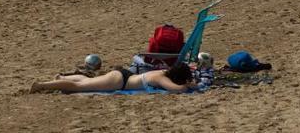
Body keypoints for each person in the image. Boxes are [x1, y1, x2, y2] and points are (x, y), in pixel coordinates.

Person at [31, 62, 195, 94]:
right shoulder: (161, 78)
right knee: (80, 87)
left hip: (123, 76)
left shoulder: (163, 72)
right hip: (120, 81)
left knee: (86, 82)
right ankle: (42, 85)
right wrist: (188, 85)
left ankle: (59, 77)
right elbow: (178, 89)